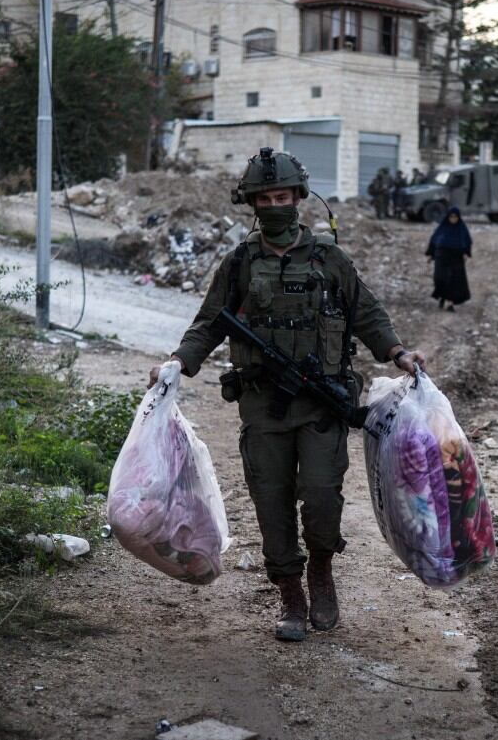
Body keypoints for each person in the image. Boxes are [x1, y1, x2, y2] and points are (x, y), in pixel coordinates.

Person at [151, 148, 426, 642]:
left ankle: (320, 569)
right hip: (263, 406)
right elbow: (209, 324)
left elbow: (367, 313)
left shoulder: (329, 258)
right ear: (253, 203)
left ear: (299, 197)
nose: (275, 205)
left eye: (283, 197)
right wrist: (177, 362)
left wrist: (398, 353)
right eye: (266, 198)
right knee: (271, 501)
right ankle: (290, 593)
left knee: (321, 496)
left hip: (321, 405)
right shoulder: (240, 262)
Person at [426, 206, 472, 311]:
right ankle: (442, 297)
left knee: (453, 280)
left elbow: (467, 241)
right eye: (451, 217)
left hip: (456, 257)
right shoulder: (442, 228)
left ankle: (450, 303)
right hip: (442, 256)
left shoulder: (461, 229)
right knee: (440, 278)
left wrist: (466, 253)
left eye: (455, 217)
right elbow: (434, 240)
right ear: (448, 217)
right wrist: (431, 254)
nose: (453, 219)